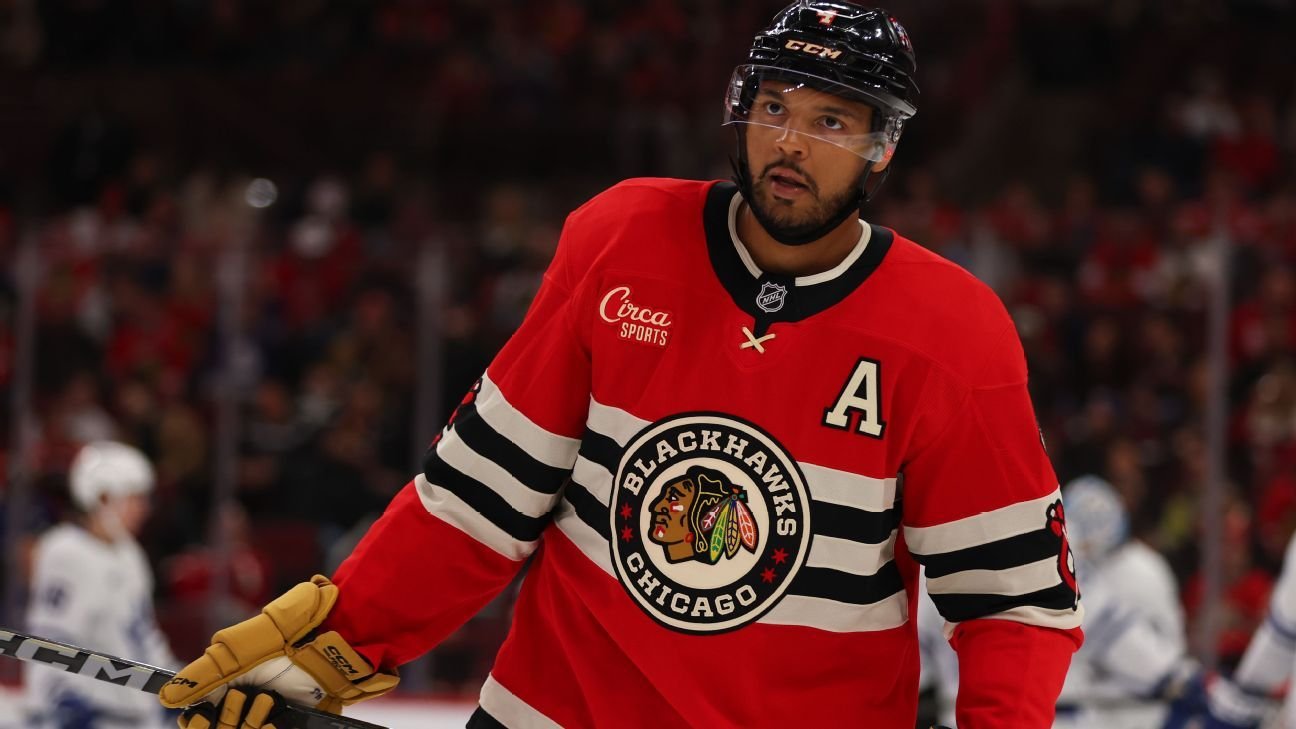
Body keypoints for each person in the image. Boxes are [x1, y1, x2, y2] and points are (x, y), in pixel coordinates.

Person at [159, 3, 1083, 728]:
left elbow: (1014, 603)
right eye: (774, 107)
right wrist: (338, 640)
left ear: (883, 146)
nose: (791, 143)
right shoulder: (621, 241)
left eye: (831, 120)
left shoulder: (953, 332)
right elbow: (482, 497)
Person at [24, 440, 178, 729]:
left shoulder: (130, 553)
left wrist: (175, 681)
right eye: (134, 498)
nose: (143, 509)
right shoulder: (64, 550)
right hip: (86, 714)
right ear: (103, 498)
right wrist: (62, 699)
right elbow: (49, 637)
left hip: (136, 714)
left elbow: (144, 633)